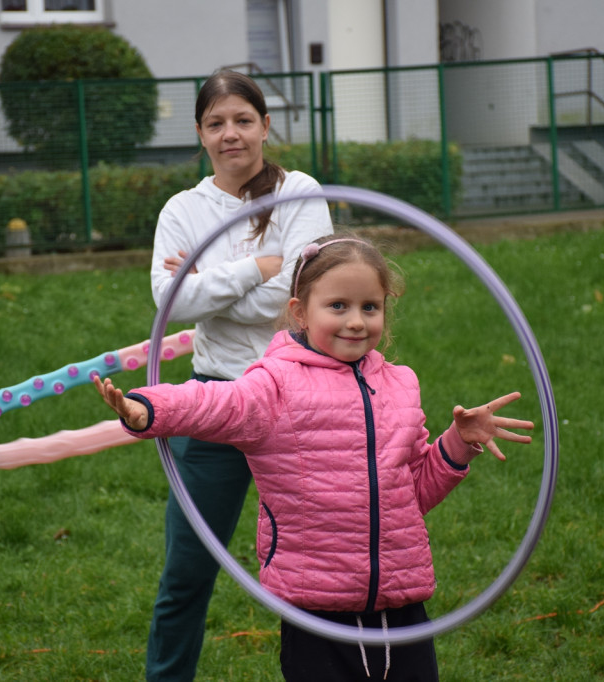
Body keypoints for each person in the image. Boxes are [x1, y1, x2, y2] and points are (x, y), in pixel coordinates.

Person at [96, 234, 535, 681]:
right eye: (338, 306)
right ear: (300, 313)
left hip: (402, 603)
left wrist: (459, 443)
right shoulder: (275, 386)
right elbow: (211, 402)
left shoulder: (400, 384)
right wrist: (146, 408)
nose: (357, 322)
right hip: (317, 610)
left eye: (370, 307)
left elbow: (414, 492)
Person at [144, 70, 333, 681]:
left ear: (265, 126)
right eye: (217, 123)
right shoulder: (183, 211)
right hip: (216, 400)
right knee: (186, 574)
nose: (231, 134)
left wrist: (210, 285)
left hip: (298, 399)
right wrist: (259, 266)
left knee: (322, 568)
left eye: (243, 120)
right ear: (200, 133)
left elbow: (305, 298)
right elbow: (172, 304)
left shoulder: (300, 192)